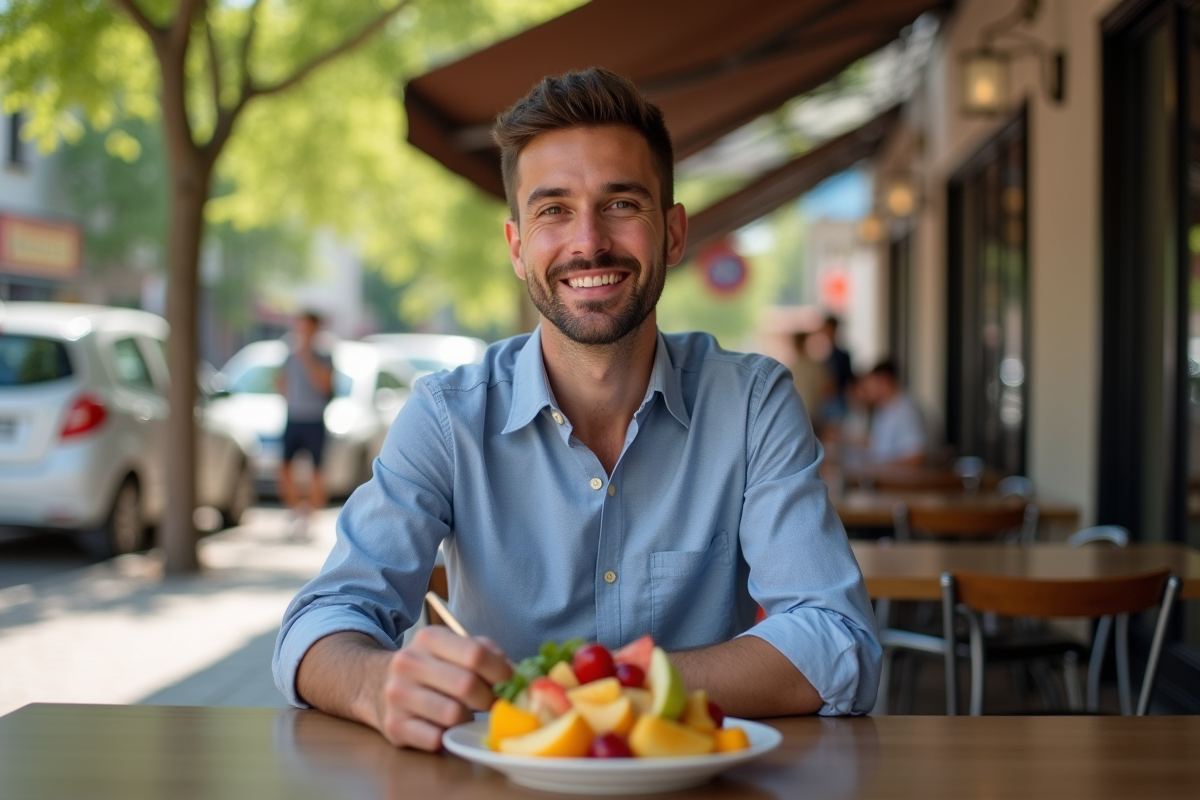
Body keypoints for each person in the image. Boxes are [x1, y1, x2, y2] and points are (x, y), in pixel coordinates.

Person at [273, 68, 880, 751]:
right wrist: (375, 684)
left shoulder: (752, 403)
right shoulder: (447, 416)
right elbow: (319, 623)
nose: (588, 242)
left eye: (621, 203)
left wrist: (594, 685)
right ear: (516, 248)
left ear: (674, 233)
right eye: (553, 210)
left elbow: (837, 641)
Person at [277, 311, 334, 538]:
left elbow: (325, 385)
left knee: (317, 470)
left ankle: (311, 516)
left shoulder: (323, 356)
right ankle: (295, 511)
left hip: (314, 418)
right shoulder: (289, 355)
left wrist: (307, 359)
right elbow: (282, 382)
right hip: (293, 417)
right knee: (285, 467)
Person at [860, 360, 926, 467]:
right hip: (883, 477)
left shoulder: (906, 410)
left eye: (872, 384)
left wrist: (878, 466)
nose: (867, 390)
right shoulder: (882, 408)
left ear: (885, 381)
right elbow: (878, 445)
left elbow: (916, 458)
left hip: (899, 482)